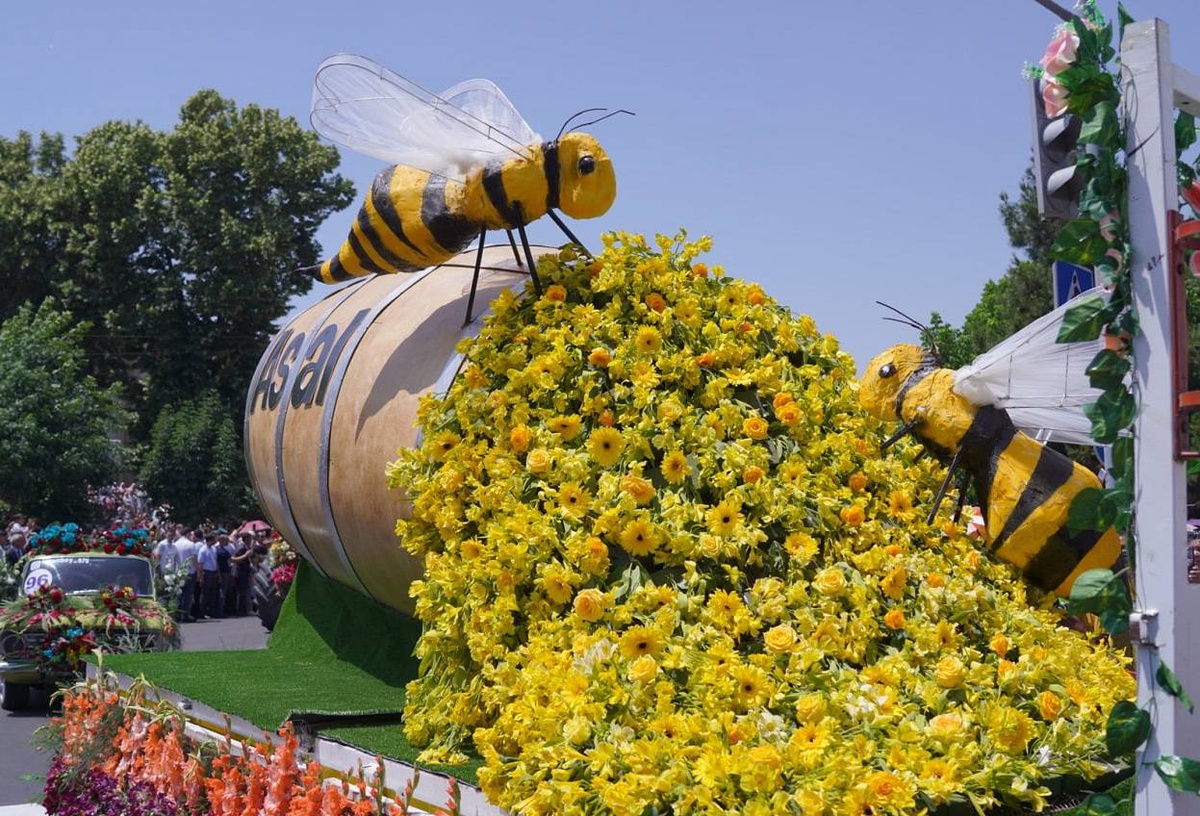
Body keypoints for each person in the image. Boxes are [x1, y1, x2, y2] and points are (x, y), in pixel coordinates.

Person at [197, 531, 220, 619]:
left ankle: (211, 611)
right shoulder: (203, 550)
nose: (215, 540)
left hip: (213, 572)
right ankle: (202, 612)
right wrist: (201, 577)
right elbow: (200, 564)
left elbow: (216, 561)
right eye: (214, 539)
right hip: (206, 572)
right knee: (205, 593)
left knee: (213, 593)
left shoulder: (214, 549)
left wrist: (218, 573)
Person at [230, 533, 254, 616]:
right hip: (241, 572)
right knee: (242, 591)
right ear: (246, 539)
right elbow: (233, 559)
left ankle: (244, 609)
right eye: (250, 539)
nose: (251, 540)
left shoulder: (247, 547)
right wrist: (245, 555)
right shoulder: (241, 548)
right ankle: (240, 610)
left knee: (245, 591)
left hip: (245, 571)